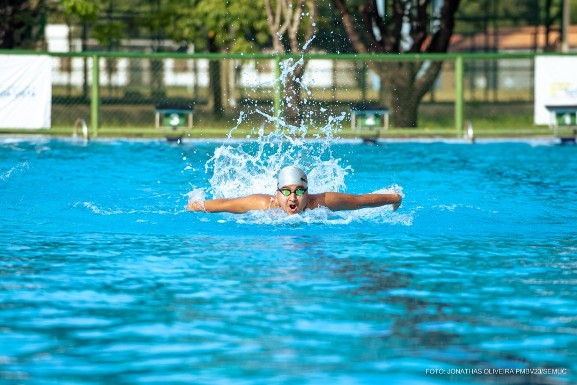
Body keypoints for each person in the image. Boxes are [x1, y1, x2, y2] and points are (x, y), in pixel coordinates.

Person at [187, 165, 402, 215]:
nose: (293, 197)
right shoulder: (264, 205)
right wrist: (197, 206)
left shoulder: (319, 203)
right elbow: (227, 204)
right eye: (286, 191)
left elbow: (359, 201)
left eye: (300, 191)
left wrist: (393, 197)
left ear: (307, 193)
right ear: (277, 193)